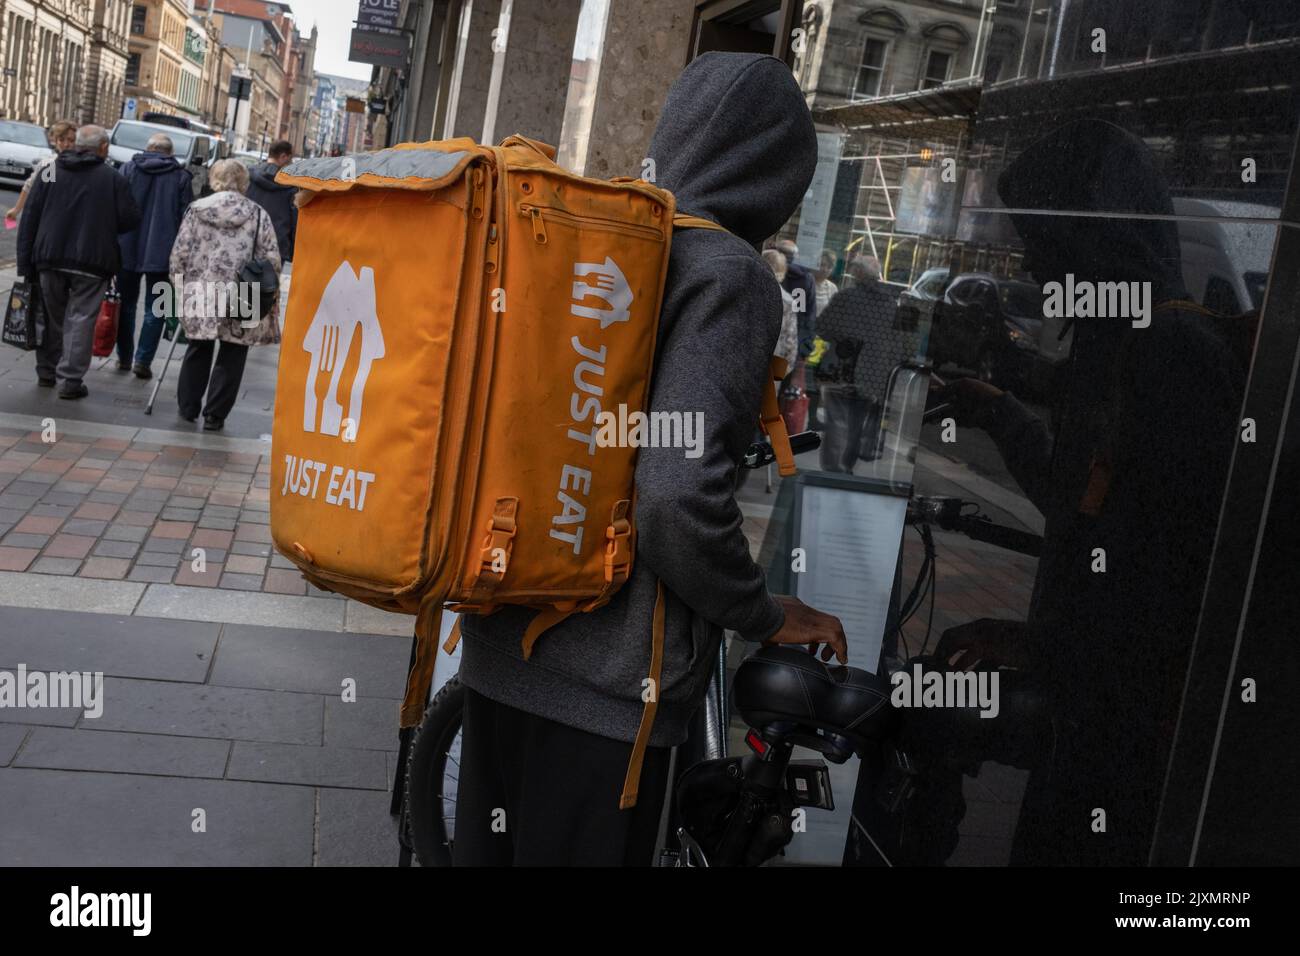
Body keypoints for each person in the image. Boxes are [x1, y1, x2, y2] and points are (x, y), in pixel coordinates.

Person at [453, 52, 848, 866]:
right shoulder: (730, 275)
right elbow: (673, 494)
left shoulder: (600, 246)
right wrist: (765, 613)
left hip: (500, 652)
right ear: (776, 177)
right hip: (607, 700)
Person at [933, 119, 1245, 865]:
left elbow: (1151, 590)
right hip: (1086, 709)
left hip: (1120, 733)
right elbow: (1084, 507)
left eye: (1046, 247)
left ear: (1094, 241)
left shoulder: (1171, 356)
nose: (1038, 272)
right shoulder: (1124, 349)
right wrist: (1000, 412)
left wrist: (1044, 645)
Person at [16, 125, 140, 400]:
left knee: (51, 316)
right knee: (81, 319)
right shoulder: (112, 178)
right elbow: (130, 219)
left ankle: (46, 372)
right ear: (104, 148)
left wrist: (25, 262)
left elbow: (30, 217)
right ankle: (70, 380)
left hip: (50, 257)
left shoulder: (50, 171)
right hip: (93, 261)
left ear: (75, 144)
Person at [170, 158, 280, 431]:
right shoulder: (257, 214)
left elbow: (179, 254)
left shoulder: (196, 210)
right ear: (244, 183)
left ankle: (188, 407)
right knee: (233, 351)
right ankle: (215, 415)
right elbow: (272, 259)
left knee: (198, 347)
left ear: (214, 179)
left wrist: (179, 286)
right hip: (242, 292)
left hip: (201, 289)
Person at [814, 254, 912, 471]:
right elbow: (900, 345)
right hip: (872, 374)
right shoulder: (891, 304)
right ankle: (848, 464)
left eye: (853, 269)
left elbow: (822, 327)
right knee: (857, 424)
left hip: (840, 369)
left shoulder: (846, 297)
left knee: (837, 421)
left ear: (858, 273)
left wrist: (842, 338)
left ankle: (832, 469)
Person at [116, 132, 192, 378]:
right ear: (170, 153)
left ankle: (124, 357)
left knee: (125, 305)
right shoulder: (181, 177)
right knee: (156, 308)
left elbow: (115, 209)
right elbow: (185, 220)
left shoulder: (128, 169)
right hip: (164, 253)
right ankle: (143, 360)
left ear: (148, 148)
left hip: (126, 247)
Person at [5, 121, 76, 224]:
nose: (66, 144)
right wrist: (16, 209)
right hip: (50, 218)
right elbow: (30, 186)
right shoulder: (50, 164)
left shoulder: (81, 165)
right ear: (55, 141)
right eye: (61, 140)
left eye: (70, 140)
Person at [243, 139, 297, 263]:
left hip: (248, 241)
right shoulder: (291, 186)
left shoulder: (248, 175)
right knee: (270, 282)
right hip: (277, 248)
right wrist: (292, 253)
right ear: (283, 156)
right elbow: (294, 222)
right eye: (290, 159)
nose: (291, 163)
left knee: (246, 282)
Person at [774, 237, 817, 356]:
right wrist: (804, 346)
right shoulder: (807, 278)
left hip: (771, 341)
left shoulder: (770, 273)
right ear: (796, 257)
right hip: (793, 343)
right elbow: (809, 315)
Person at [762, 248, 798, 370]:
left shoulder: (746, 292)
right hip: (770, 367)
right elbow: (790, 343)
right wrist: (780, 373)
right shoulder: (788, 302)